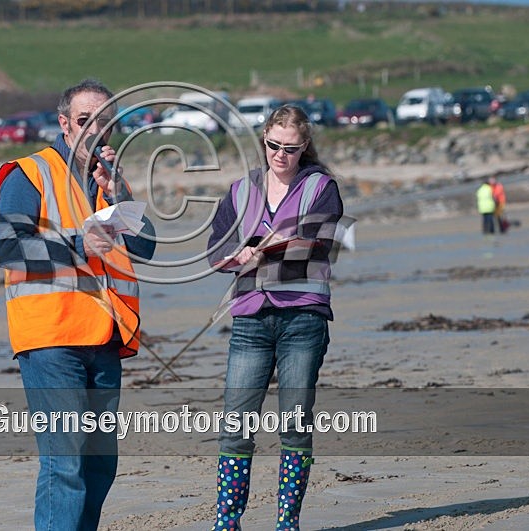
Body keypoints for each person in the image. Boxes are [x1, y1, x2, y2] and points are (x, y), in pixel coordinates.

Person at [0, 78, 155, 530]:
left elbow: (148, 246)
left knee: (99, 465)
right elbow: (7, 248)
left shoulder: (108, 183)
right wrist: (81, 242)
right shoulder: (28, 173)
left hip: (104, 337)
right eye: (86, 121)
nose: (97, 131)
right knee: (66, 462)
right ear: (65, 124)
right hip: (50, 338)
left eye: (107, 122)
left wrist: (119, 192)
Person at [206, 105, 345, 530]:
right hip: (250, 320)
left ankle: (288, 522)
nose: (280, 155)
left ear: (304, 146)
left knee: (295, 428)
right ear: (263, 139)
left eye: (290, 148)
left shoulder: (322, 188)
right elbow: (215, 250)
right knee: (235, 428)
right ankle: (227, 522)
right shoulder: (239, 191)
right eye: (273, 146)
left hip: (303, 318)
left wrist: (273, 246)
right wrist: (237, 254)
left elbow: (319, 244)